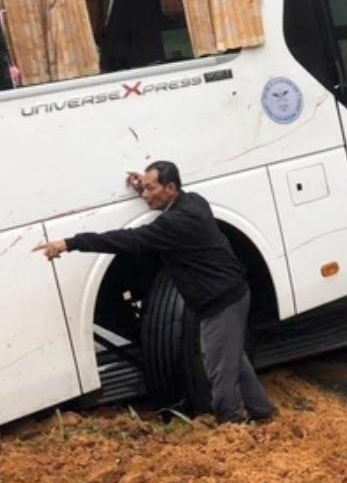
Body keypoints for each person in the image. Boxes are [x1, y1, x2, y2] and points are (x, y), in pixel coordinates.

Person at [33, 161, 275, 424]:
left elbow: (125, 240)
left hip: (221, 303)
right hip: (231, 295)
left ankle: (234, 428)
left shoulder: (174, 224)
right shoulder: (194, 201)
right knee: (231, 360)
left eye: (151, 189)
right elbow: (159, 205)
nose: (146, 195)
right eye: (144, 189)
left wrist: (70, 243)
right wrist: (144, 186)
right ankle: (263, 411)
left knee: (218, 373)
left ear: (170, 188)